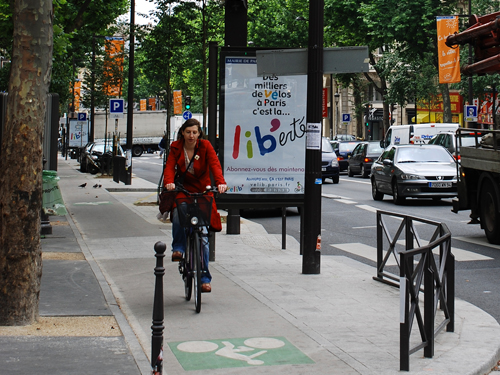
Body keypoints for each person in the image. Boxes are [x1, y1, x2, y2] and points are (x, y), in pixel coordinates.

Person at [163, 119, 227, 293]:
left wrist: (220, 183)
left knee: (204, 237)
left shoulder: (205, 146)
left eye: (194, 132)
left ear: (199, 133)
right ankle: (178, 248)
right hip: (184, 189)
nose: (191, 135)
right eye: (188, 132)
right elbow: (169, 167)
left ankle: (204, 278)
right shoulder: (176, 147)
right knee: (177, 211)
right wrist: (169, 182)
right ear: (182, 133)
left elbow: (215, 165)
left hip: (203, 190)